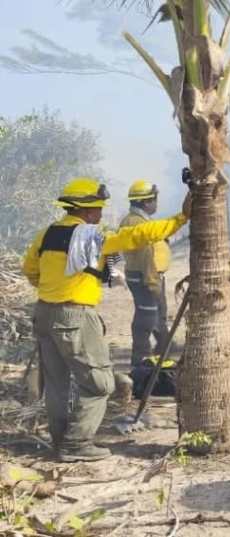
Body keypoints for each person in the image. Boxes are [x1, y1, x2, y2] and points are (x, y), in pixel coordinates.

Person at [22, 177, 190, 462]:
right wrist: (182, 217)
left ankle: (61, 442)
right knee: (100, 384)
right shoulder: (89, 235)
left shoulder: (46, 234)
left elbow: (30, 269)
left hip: (44, 312)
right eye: (98, 209)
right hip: (74, 315)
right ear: (87, 210)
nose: (100, 214)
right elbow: (137, 235)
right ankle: (76, 445)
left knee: (57, 383)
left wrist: (52, 287)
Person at [119, 180, 171, 366]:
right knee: (147, 318)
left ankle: (161, 358)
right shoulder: (137, 223)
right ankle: (142, 361)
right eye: (155, 200)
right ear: (146, 201)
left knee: (158, 317)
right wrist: (153, 283)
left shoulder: (137, 220)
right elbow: (145, 257)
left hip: (145, 275)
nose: (157, 203)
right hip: (146, 277)